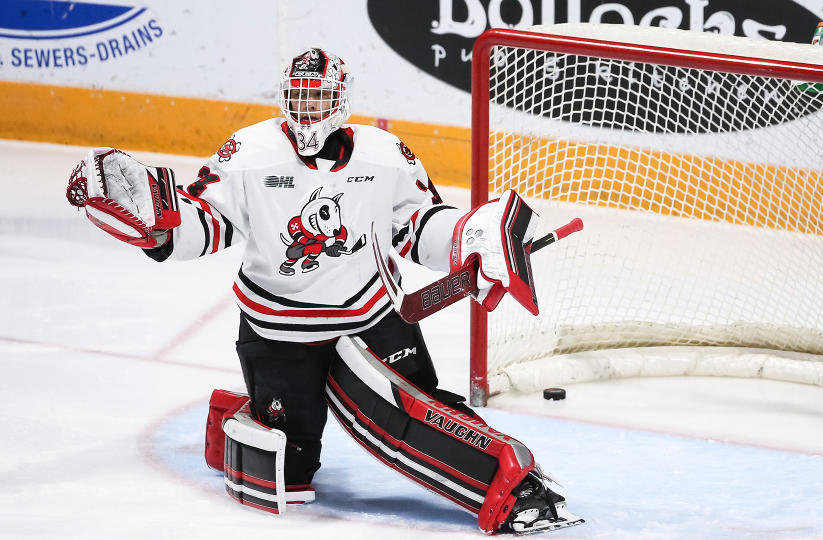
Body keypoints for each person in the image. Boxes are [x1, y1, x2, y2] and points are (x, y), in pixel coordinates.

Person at [64, 48, 582, 534]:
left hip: (373, 316)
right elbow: (210, 221)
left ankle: (508, 483)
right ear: (285, 98)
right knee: (288, 470)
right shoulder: (247, 152)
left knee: (424, 412)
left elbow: (416, 224)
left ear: (341, 99)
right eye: (299, 97)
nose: (307, 109)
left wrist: (467, 237)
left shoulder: (386, 155)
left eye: (318, 97)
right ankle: (242, 420)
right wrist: (160, 231)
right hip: (278, 330)